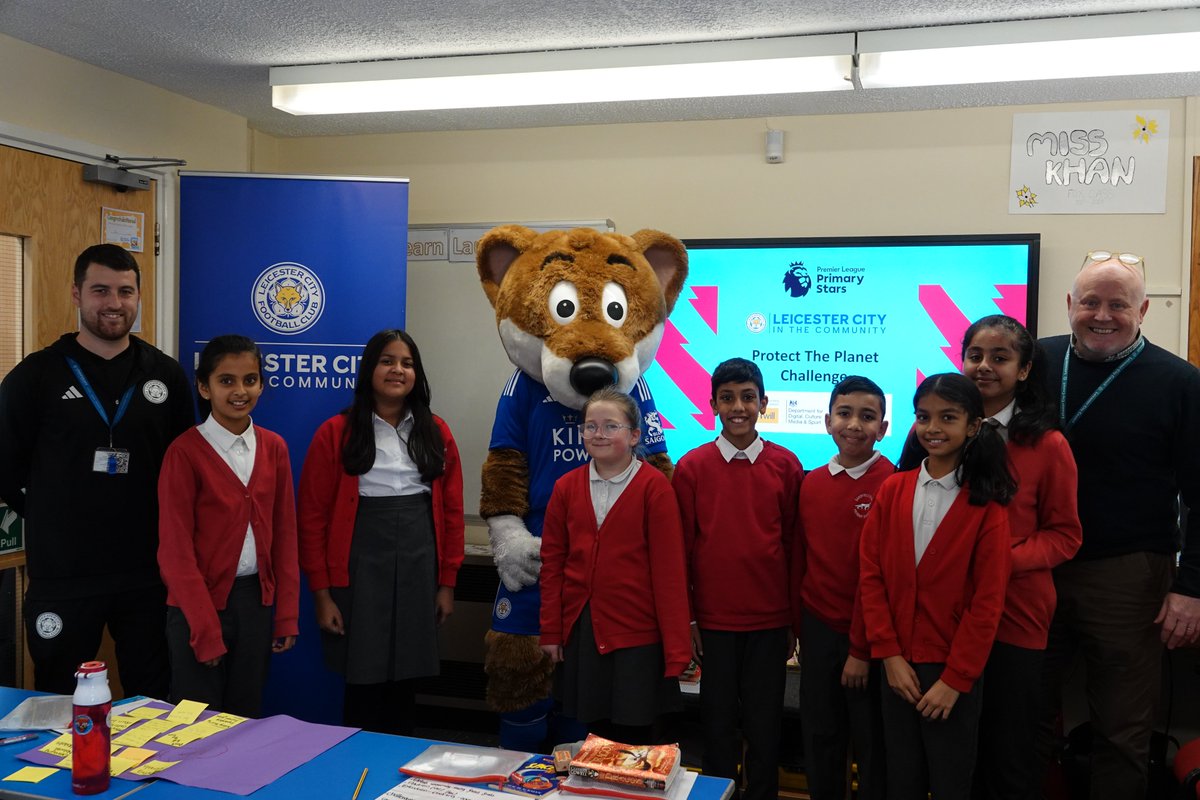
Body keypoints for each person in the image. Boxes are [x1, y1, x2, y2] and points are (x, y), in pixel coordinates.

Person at [1036, 251, 1200, 800]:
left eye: (1118, 304)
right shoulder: (1035, 361)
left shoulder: (1181, 382)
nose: (1101, 314)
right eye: (1090, 301)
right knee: (1022, 717)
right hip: (1033, 568)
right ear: (1069, 305)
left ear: (1144, 309)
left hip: (1128, 576)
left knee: (1122, 733)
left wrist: (1191, 589)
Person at [0, 244, 193, 696]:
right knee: (58, 699)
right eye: (100, 290)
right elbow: (5, 463)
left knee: (153, 695)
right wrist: (48, 515)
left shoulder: (164, 375)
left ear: (139, 296)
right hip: (64, 575)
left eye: (126, 291)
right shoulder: (36, 376)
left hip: (147, 572)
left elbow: (185, 467)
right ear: (76, 293)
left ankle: (149, 771)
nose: (114, 303)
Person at [297, 329, 464, 735]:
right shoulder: (334, 432)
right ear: (369, 368)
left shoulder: (436, 431)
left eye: (407, 363)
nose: (397, 370)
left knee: (407, 680)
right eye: (387, 361)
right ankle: (358, 769)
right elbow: (312, 518)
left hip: (417, 561)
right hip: (359, 566)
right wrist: (322, 594)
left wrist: (446, 585)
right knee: (363, 678)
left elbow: (453, 513)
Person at [858, 373, 1013, 800]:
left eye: (948, 417)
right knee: (901, 779)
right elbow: (871, 577)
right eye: (924, 417)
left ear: (973, 426)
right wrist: (888, 654)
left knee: (950, 781)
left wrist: (956, 680)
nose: (933, 428)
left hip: (950, 672)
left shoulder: (987, 504)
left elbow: (987, 602)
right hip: (897, 669)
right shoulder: (893, 489)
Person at [955, 316, 1083, 800]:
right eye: (975, 356)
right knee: (957, 752)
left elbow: (1065, 536)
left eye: (1000, 358)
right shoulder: (939, 432)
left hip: (1017, 618)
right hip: (950, 618)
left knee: (1008, 755)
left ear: (1025, 370)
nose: (985, 367)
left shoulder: (1048, 445)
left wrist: (999, 563)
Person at [672, 357, 802, 800]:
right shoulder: (691, 468)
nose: (738, 406)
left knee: (766, 725)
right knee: (717, 723)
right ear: (712, 404)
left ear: (764, 403)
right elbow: (683, 553)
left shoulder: (786, 466)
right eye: (727, 398)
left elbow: (791, 548)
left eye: (748, 397)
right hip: (714, 625)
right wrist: (689, 621)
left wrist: (790, 621)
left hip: (769, 623)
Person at [538, 386, 691, 744]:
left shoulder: (655, 489)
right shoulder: (566, 487)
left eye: (611, 426)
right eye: (590, 426)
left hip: (638, 634)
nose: (599, 434)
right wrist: (551, 631)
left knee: (636, 737)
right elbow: (553, 566)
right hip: (585, 632)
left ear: (635, 434)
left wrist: (677, 648)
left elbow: (670, 575)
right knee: (596, 738)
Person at [156, 335, 298, 716]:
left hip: (255, 604)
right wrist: (204, 628)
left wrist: (284, 613)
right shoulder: (184, 452)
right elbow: (175, 551)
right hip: (197, 607)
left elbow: (285, 535)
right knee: (195, 722)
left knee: (244, 715)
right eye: (226, 381)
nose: (240, 391)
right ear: (204, 387)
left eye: (250, 380)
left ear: (262, 385)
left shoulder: (274, 448)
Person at [793, 376, 892, 800]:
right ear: (827, 420)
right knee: (820, 734)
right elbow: (802, 558)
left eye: (867, 417)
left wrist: (861, 649)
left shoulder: (893, 483)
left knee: (872, 742)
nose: (854, 425)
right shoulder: (811, 482)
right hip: (817, 633)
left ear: (883, 429)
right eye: (845, 413)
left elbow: (884, 576)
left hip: (868, 636)